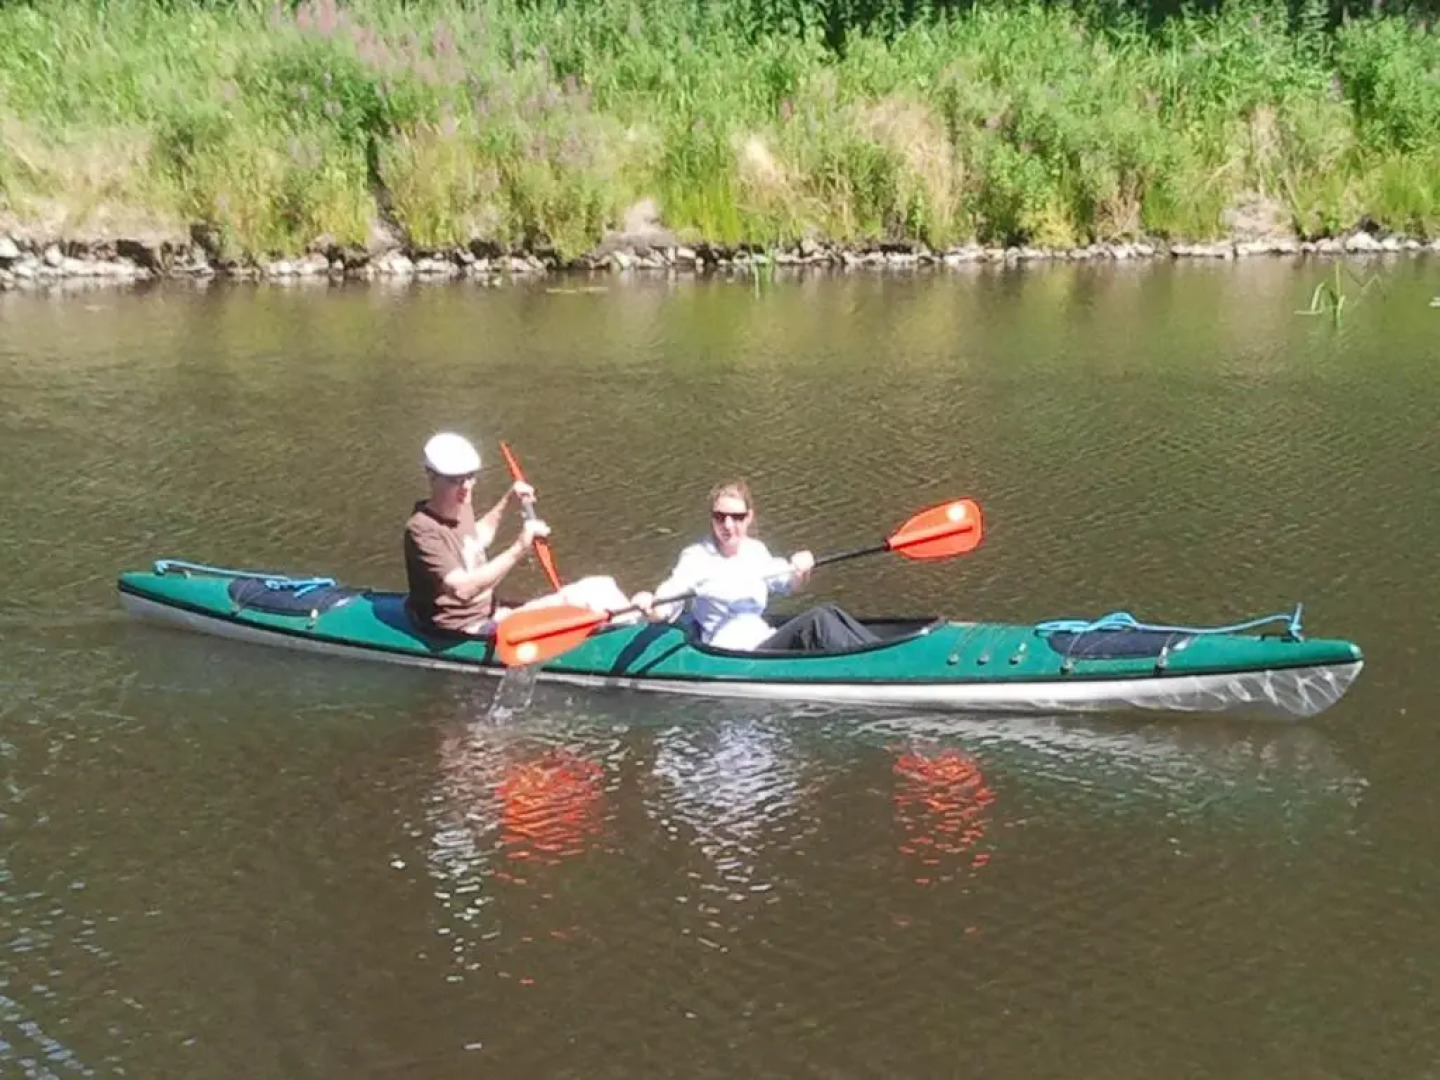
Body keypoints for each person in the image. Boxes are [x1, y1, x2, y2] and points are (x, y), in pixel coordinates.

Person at [404, 432, 631, 637]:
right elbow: (463, 590)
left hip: (494, 613)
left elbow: (476, 539)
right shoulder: (422, 530)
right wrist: (520, 547)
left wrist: (508, 501)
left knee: (603, 586)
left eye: (470, 476)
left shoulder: (460, 504)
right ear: (432, 476)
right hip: (466, 627)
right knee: (593, 594)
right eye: (455, 480)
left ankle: (632, 628)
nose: (466, 487)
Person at [627, 480, 881, 653]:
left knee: (830, 612)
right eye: (720, 517)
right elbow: (669, 599)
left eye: (736, 517)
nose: (728, 525)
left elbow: (787, 583)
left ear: (748, 518)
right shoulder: (696, 558)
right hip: (732, 652)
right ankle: (883, 662)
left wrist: (801, 569)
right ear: (712, 518)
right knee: (818, 620)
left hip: (762, 640)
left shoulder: (756, 551)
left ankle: (884, 652)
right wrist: (650, 605)